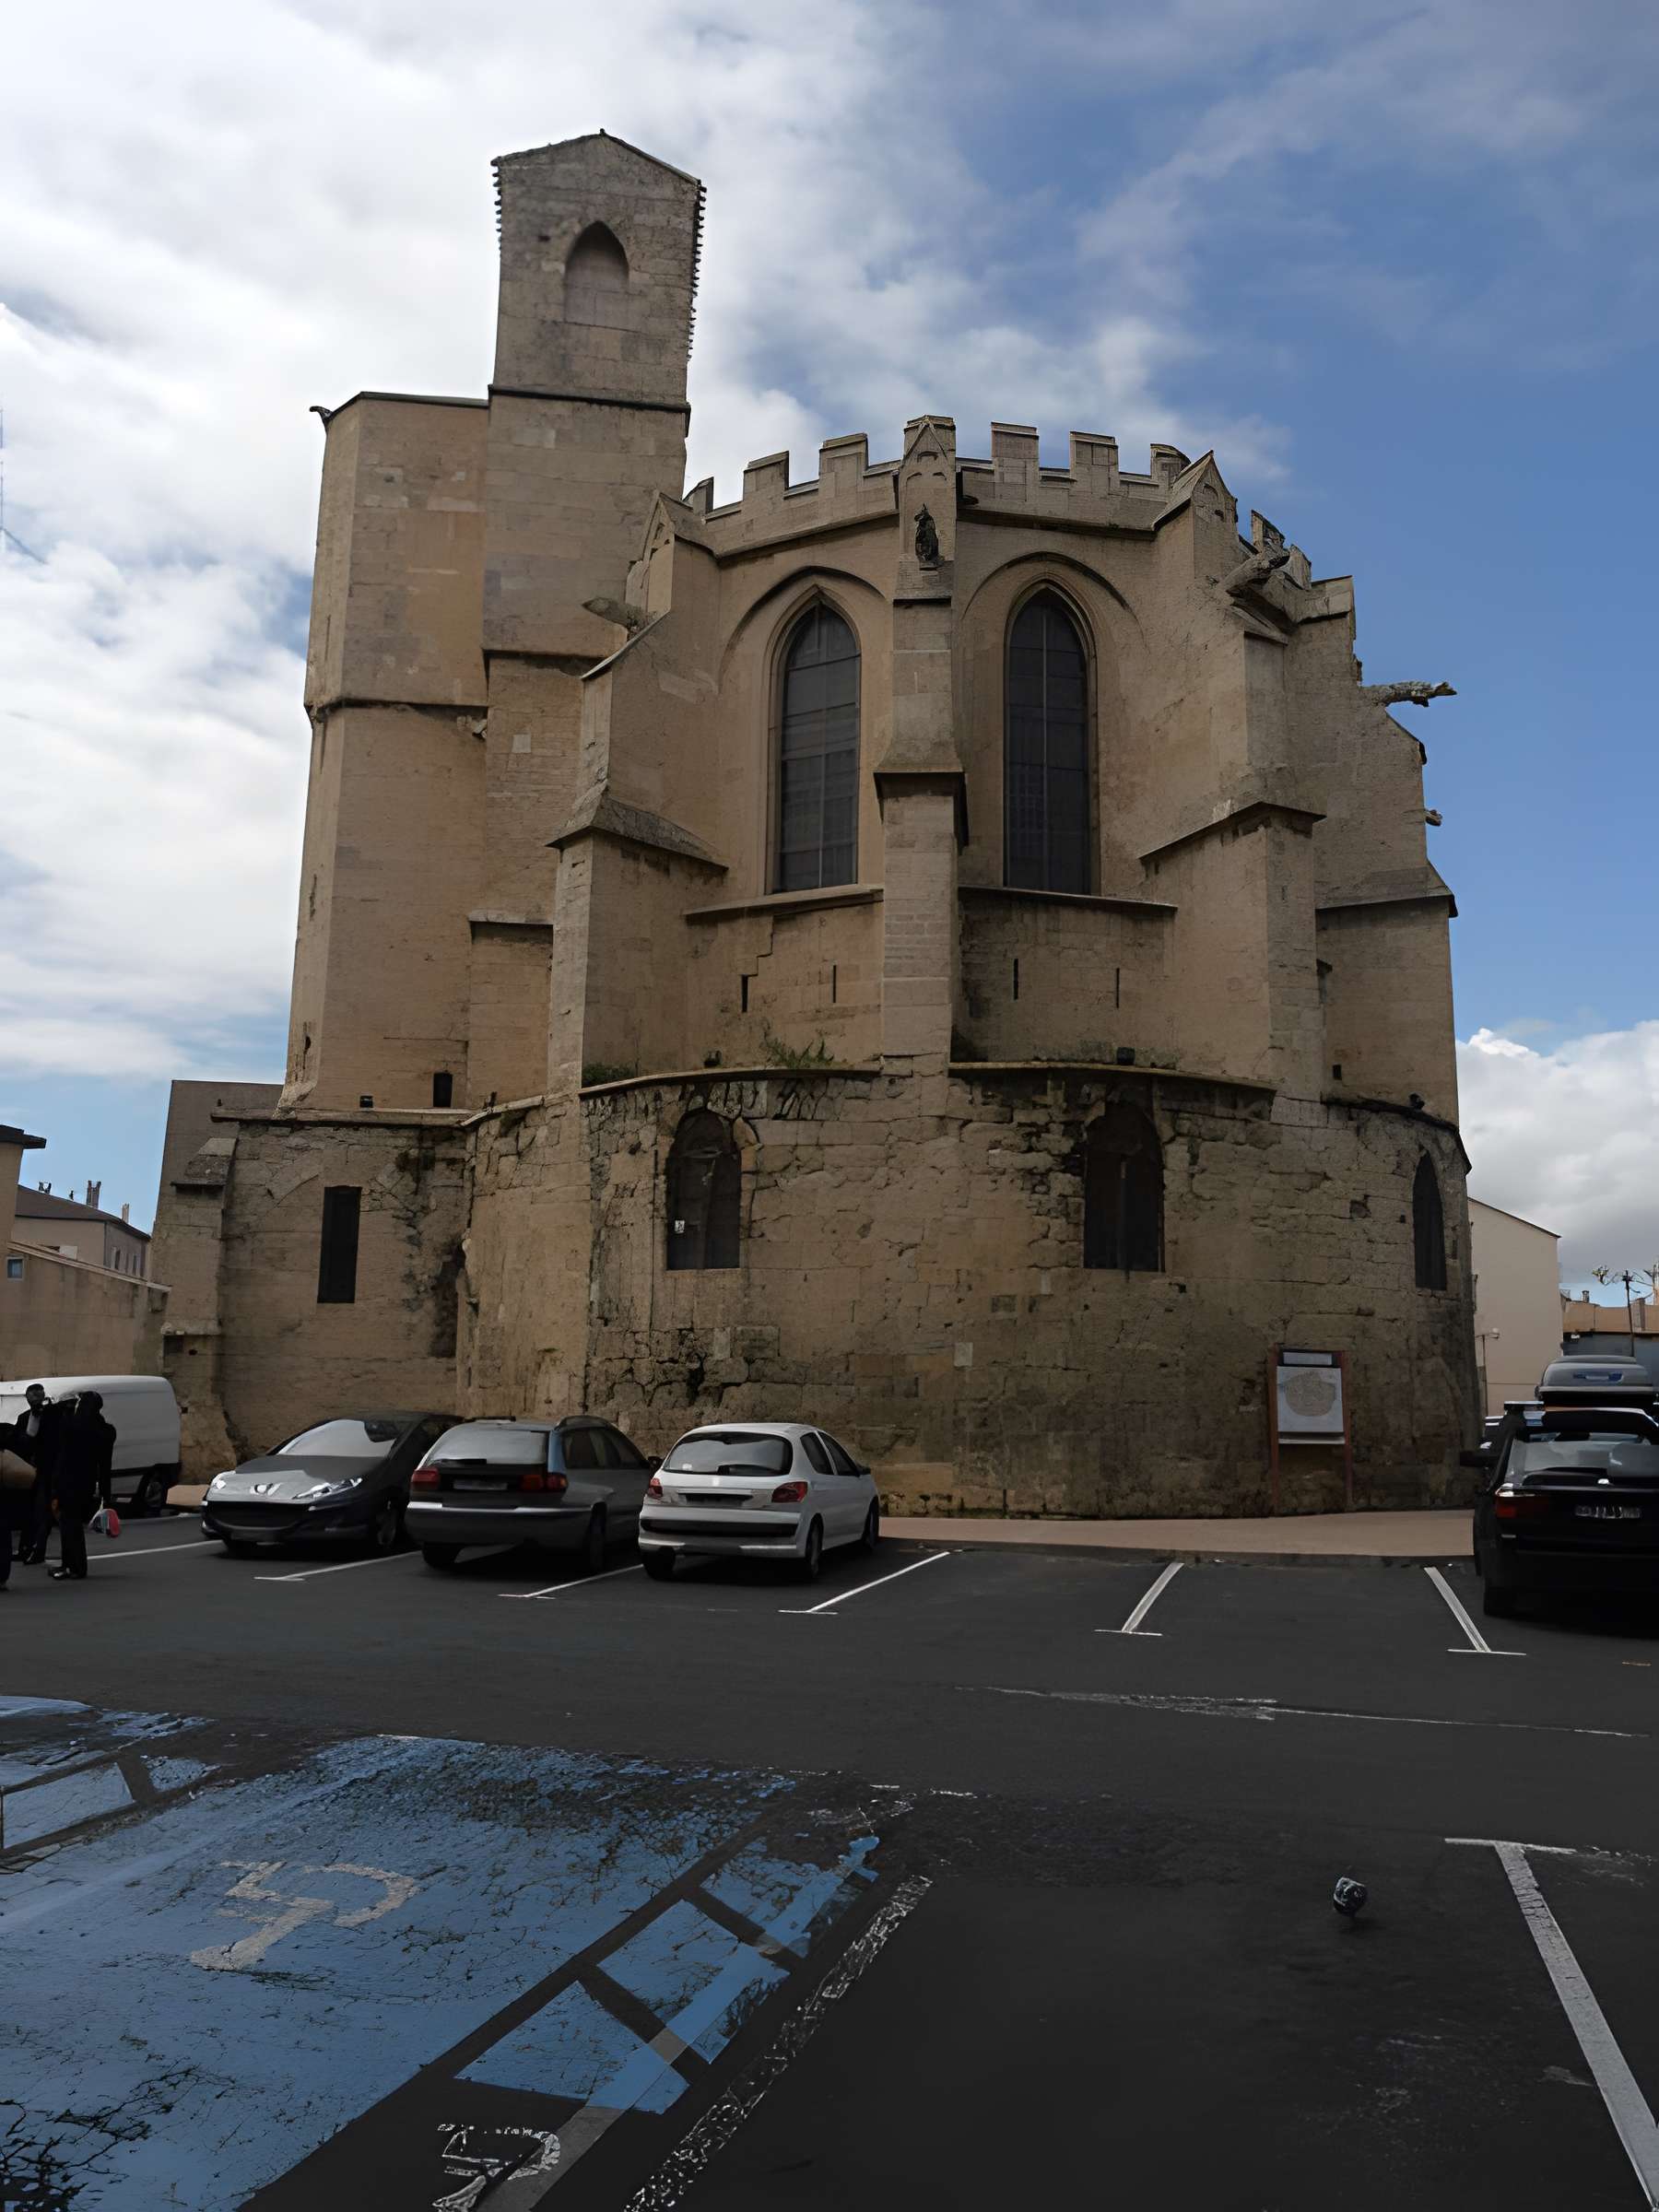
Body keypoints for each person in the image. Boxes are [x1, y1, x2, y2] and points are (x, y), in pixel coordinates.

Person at [50, 1391, 115, 1583]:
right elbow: (105, 1465)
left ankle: (74, 1566)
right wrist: (106, 1494)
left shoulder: (72, 1426)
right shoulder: (105, 1431)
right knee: (73, 1525)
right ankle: (71, 1565)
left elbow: (61, 1457)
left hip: (67, 1482)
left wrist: (66, 1408)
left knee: (68, 1525)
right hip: (86, 1484)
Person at [13, 1383, 66, 1566]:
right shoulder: (24, 1418)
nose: (35, 1399)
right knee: (27, 1510)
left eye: (39, 1395)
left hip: (48, 1471)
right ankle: (25, 1548)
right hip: (29, 1470)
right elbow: (21, 1443)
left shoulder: (53, 1415)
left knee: (43, 1512)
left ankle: (38, 1549)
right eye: (32, 1396)